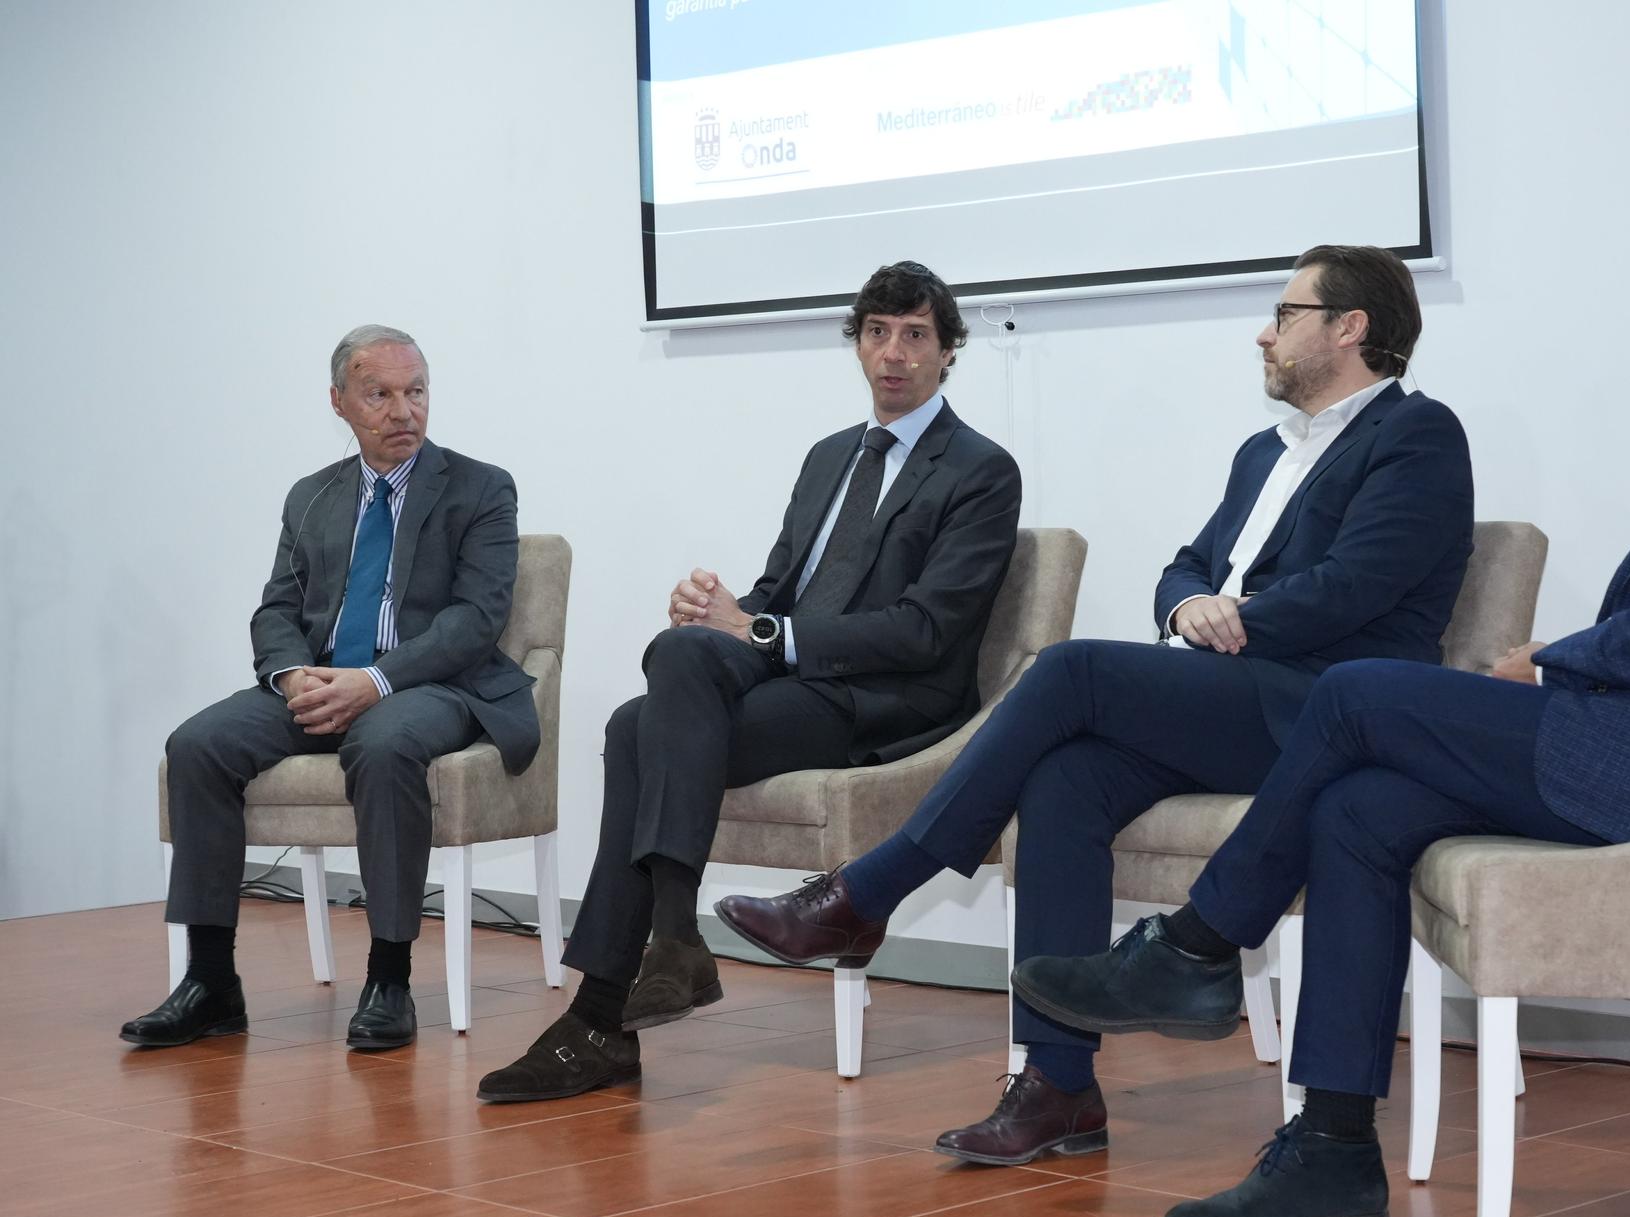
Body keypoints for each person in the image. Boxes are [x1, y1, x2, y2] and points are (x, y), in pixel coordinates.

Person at [1008, 118, 1630, 1217]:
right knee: (1356, 807)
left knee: (1357, 692)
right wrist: (1570, 667)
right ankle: (1331, 1152)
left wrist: (1555, 659)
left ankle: (1195, 950)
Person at [716, 245, 1475, 1165]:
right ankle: (1058, 1085)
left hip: (1323, 706)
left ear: (1349, 328)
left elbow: (1357, 587)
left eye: (1286, 313)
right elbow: (1185, 564)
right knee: (1066, 778)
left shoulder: (1418, 436)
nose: (1265, 332)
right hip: (1233, 691)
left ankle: (866, 890)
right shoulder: (1261, 451)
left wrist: (1235, 616)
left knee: (1072, 671)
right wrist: (1188, 603)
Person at [478, 261, 1022, 1102]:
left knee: (638, 724)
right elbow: (782, 592)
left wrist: (760, 630)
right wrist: (721, 610)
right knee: (664, 678)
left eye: (916, 335)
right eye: (877, 332)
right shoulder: (829, 458)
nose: (894, 353)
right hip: (801, 680)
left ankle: (612, 1002)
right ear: (858, 344)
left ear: (949, 353)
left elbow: (926, 631)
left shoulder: (981, 470)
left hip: (887, 701)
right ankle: (654, 963)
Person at [126, 326, 537, 1052]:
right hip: (318, 680)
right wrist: (293, 676)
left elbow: (475, 621)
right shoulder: (312, 496)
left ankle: (389, 977)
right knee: (197, 745)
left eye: (415, 391)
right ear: (339, 402)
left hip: (432, 683)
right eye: (379, 394)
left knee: (382, 745)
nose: (403, 410)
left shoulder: (480, 487)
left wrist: (373, 681)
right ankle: (212, 980)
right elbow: (277, 609)